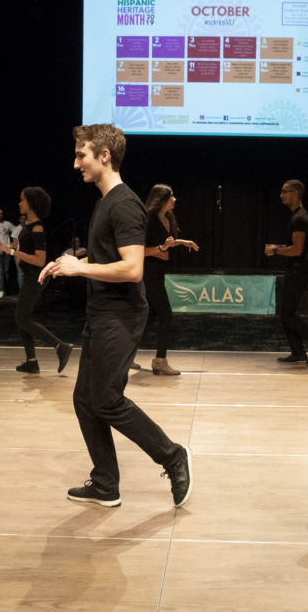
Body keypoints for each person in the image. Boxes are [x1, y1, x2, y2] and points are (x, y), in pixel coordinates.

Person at [38, 124, 192, 509]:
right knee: (83, 399)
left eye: (82, 155)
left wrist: (79, 269)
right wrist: (68, 262)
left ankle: (172, 455)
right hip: (104, 312)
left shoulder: (123, 204)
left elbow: (132, 269)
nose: (76, 164)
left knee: (105, 399)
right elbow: (108, 257)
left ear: (104, 156)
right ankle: (106, 482)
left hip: (121, 316)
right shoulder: (106, 200)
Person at [3, 185, 73, 374]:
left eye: (22, 200)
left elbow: (40, 259)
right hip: (31, 276)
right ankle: (31, 361)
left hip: (36, 277)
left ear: (31, 203)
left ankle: (60, 346)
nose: (19, 203)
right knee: (22, 318)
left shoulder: (37, 228)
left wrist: (14, 252)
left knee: (22, 318)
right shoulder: (29, 226)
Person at [265, 179, 308, 366]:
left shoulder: (299, 218)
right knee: (286, 312)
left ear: (296, 194)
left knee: (287, 314)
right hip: (296, 269)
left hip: (299, 270)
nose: (281, 195)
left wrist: (275, 251)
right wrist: (277, 247)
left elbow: (297, 250)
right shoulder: (297, 216)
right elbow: (294, 247)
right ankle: (298, 352)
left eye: (285, 191)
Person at [141, 183, 199, 376]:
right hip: (148, 272)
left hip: (159, 272)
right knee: (166, 315)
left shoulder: (168, 218)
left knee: (151, 316)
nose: (175, 199)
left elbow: (167, 243)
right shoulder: (148, 220)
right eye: (171, 196)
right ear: (162, 199)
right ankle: (160, 360)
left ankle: (126, 351)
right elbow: (139, 251)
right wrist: (161, 250)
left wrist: (183, 242)